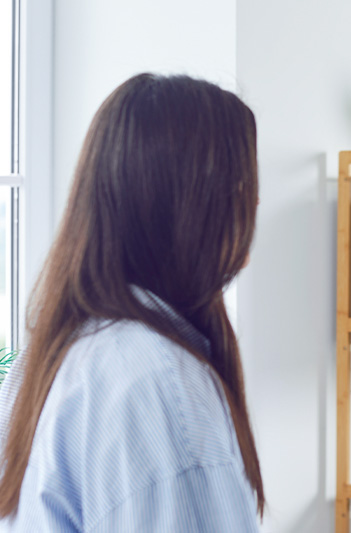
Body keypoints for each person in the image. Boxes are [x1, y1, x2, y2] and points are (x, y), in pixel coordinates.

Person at [0, 74, 264, 531]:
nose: (255, 205)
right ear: (191, 207)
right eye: (242, 188)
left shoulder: (50, 355)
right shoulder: (162, 389)